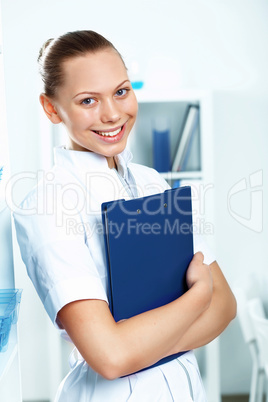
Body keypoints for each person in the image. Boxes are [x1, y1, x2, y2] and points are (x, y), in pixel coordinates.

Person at [14, 30, 236, 401]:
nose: (113, 113)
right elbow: (111, 357)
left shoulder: (152, 183)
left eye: (121, 91)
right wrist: (199, 297)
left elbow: (225, 307)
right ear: (52, 108)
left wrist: (135, 346)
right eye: (88, 100)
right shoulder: (47, 204)